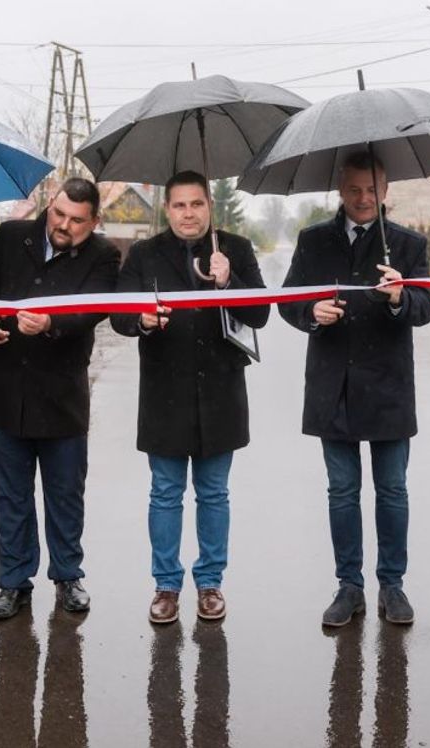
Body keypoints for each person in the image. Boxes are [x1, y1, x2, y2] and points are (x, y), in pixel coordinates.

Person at [279, 151, 430, 627]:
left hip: (389, 387)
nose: (363, 199)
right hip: (333, 385)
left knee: (393, 490)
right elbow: (288, 300)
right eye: (354, 190)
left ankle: (393, 584)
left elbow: (426, 308)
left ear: (385, 191)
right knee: (342, 491)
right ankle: (349, 586)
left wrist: (400, 297)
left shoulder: (408, 244)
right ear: (340, 190)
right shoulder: (313, 241)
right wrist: (311, 313)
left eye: (371, 190)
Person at [112, 171, 268, 624]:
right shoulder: (144, 254)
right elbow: (119, 315)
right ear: (167, 209)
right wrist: (142, 320)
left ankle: (210, 582)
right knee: (165, 493)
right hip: (164, 391)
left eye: (197, 204)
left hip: (221, 390)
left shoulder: (235, 248)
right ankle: (166, 584)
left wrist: (229, 281)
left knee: (214, 493)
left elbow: (260, 312)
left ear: (209, 206)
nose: (188, 213)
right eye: (179, 205)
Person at [0, 179, 121, 622]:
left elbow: (94, 309)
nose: (64, 225)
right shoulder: (12, 235)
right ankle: (13, 583)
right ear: (50, 205)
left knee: (65, 494)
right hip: (4, 392)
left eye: (76, 221)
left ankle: (69, 576)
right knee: (10, 497)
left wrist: (53, 323)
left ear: (94, 222)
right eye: (59, 214)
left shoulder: (104, 255)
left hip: (61, 397)